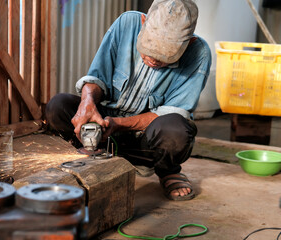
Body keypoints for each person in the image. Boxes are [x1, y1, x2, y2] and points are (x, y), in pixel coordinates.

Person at [45, 0, 211, 201]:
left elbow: (173, 112)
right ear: (143, 22)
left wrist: (118, 125)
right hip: (105, 129)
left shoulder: (199, 52)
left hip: (144, 142)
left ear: (189, 43)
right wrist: (86, 103)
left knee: (177, 131)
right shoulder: (127, 23)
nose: (153, 59)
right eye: (148, 48)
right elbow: (98, 77)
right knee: (58, 106)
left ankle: (168, 170)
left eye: (164, 55)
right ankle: (91, 149)